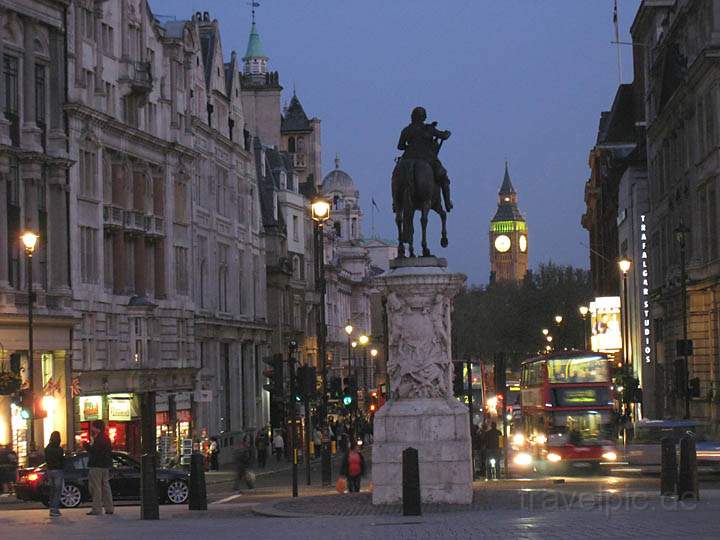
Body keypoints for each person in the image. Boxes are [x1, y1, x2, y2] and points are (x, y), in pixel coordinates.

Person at [395, 106, 453, 212]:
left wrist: (410, 147)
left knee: (396, 174)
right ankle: (448, 203)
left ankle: (396, 203)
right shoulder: (428, 128)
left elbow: (400, 146)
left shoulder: (406, 130)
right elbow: (443, 136)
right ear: (423, 117)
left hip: (407, 157)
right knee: (443, 176)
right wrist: (447, 133)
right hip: (426, 157)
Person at [83, 420, 114, 515]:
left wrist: (86, 445)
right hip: (105, 465)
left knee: (96, 487)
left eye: (93, 427)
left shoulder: (98, 439)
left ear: (97, 428)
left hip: (96, 465)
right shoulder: (106, 438)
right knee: (106, 486)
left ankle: (97, 508)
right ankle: (109, 508)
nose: (92, 428)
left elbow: (94, 451)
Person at [44, 431, 64, 517]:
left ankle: (51, 508)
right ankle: (55, 509)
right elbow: (61, 460)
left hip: (50, 470)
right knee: (57, 490)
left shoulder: (47, 448)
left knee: (52, 490)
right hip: (58, 470)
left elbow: (46, 459)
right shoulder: (59, 449)